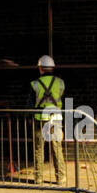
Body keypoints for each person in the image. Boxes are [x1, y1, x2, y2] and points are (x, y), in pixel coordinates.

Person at [31, 55, 67, 186]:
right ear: (53, 68)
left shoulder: (34, 84)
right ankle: (61, 178)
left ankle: (38, 178)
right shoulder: (60, 83)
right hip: (56, 119)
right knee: (57, 148)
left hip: (40, 119)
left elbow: (30, 103)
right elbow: (61, 96)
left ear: (40, 68)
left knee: (39, 149)